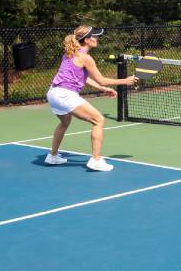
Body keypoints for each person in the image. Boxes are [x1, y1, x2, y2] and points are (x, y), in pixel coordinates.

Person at [44, 26, 135, 171]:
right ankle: (96, 160)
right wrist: (125, 81)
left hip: (53, 93)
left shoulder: (69, 53)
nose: (98, 39)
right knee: (98, 120)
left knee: (65, 122)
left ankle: (53, 156)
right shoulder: (86, 58)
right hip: (65, 94)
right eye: (95, 36)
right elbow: (102, 79)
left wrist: (102, 89)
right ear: (87, 40)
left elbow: (83, 78)